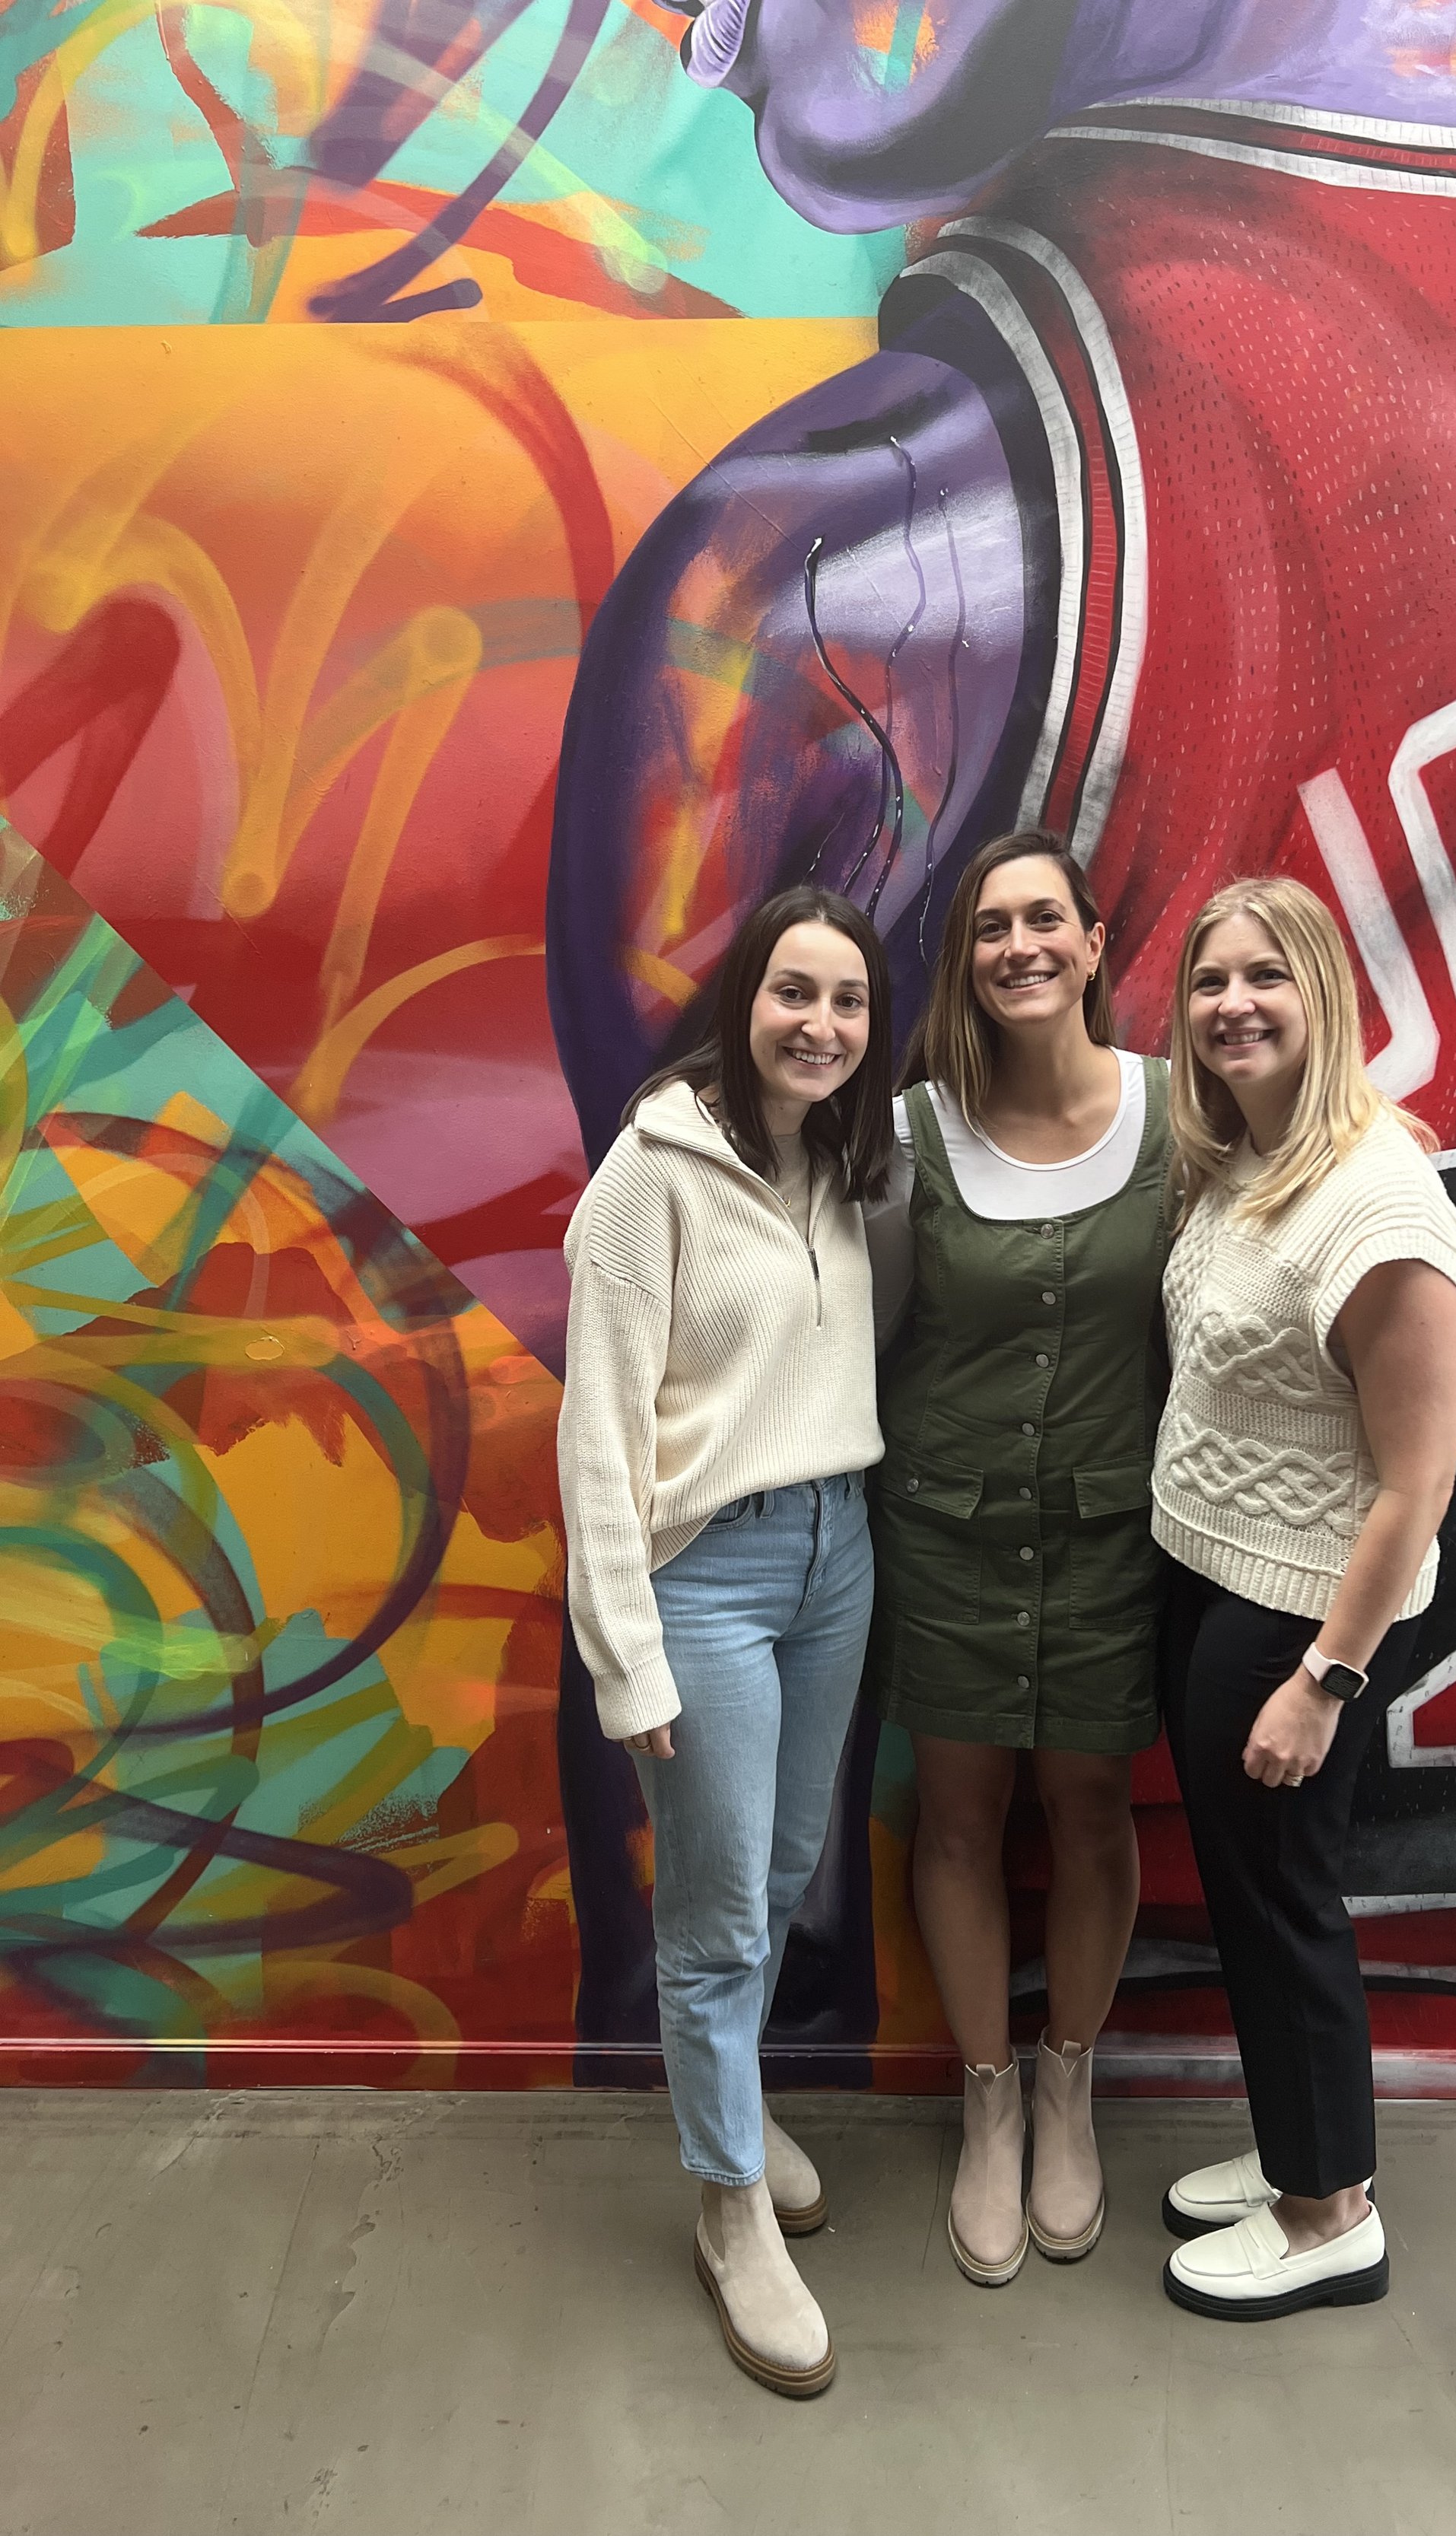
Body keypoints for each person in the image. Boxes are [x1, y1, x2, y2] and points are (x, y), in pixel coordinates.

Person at [558, 886, 893, 2399]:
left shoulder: (848, 1160)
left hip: (838, 1554)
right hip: (710, 1577)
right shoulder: (653, 1172)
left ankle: (736, 2105)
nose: (817, 1023)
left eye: (846, 1001)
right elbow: (595, 1438)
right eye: (791, 992)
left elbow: (1101, 1111)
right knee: (715, 1916)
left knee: (776, 1869)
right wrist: (625, 1655)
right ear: (740, 998)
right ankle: (727, 2198)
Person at [1152, 877, 1456, 2323]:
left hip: (1297, 1618)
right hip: (1215, 1579)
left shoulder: (1380, 1199)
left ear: (1323, 993)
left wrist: (1325, 1677)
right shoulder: (1249, 1157)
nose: (1234, 1004)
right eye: (1211, 980)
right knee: (1250, 1892)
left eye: (1266, 976)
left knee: (1284, 1901)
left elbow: (1414, 1483)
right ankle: (1304, 2149)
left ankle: (1329, 2210)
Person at [863, 828, 1171, 2286]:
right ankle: (988, 2102)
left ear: (1096, 941)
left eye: (1045, 917)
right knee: (960, 1817)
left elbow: (1311, 1156)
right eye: (991, 926)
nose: (1019, 945)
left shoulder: (1181, 1117)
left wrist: (1382, 1137)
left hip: (1115, 1538)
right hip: (948, 1532)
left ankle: (1069, 2081)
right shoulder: (916, 1133)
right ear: (966, 960)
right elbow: (851, 1316)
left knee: (1096, 1808)